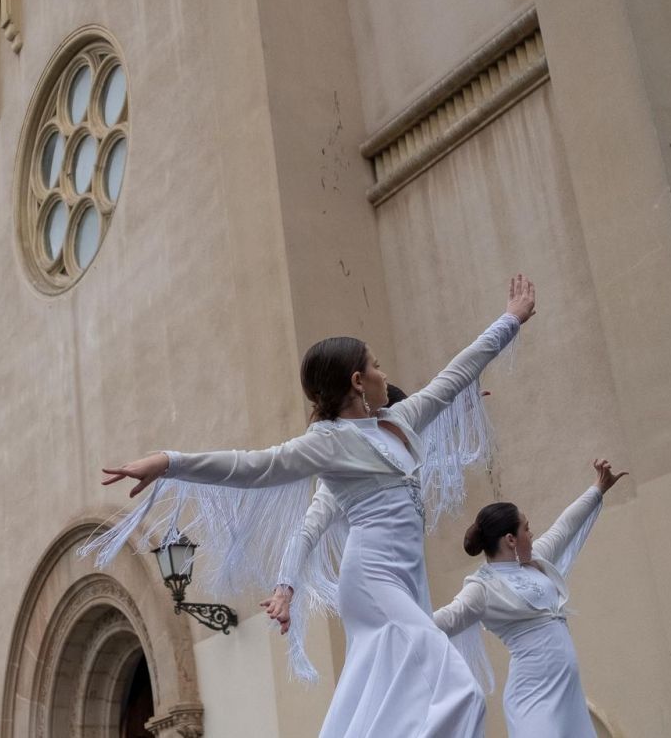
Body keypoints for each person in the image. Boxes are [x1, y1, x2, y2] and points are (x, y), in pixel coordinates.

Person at [96, 276, 536, 737]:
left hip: (408, 580)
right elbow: (252, 467)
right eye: (377, 366)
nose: (385, 374)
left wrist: (510, 321)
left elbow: (455, 375)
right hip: (373, 580)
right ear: (357, 381)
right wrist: (169, 462)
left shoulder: (400, 421)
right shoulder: (328, 444)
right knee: (457, 690)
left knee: (401, 700)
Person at [431, 460, 627, 738]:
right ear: (511, 539)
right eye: (527, 528)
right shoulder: (482, 587)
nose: (532, 534)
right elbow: (443, 621)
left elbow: (564, 526)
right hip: (533, 695)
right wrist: (393, 622)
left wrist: (598, 488)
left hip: (568, 693)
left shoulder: (535, 561)